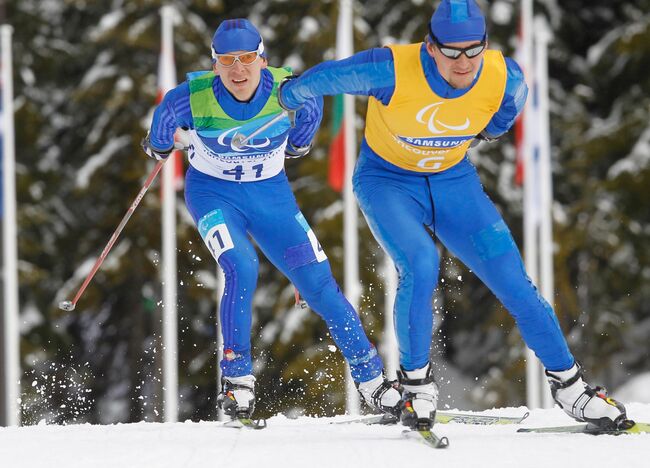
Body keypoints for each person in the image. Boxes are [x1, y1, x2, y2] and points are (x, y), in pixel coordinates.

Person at [278, 0, 631, 431]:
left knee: (513, 280)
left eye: (473, 50)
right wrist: (284, 95)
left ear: (484, 44)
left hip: (452, 182)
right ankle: (416, 388)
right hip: (387, 182)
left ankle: (572, 389)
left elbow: (502, 117)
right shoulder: (390, 69)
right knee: (421, 264)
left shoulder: (505, 76)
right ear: (430, 47)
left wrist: (474, 134)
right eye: (451, 51)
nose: (463, 62)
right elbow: (324, 78)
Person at [142, 19, 401, 420]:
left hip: (271, 199)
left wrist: (287, 146)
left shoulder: (292, 94)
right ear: (214, 66)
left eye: (247, 59)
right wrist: (166, 144)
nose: (238, 70)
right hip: (212, 196)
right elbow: (159, 134)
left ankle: (374, 383)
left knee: (319, 282)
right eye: (227, 61)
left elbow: (301, 138)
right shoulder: (188, 100)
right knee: (241, 265)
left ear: (264, 60)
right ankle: (237, 384)